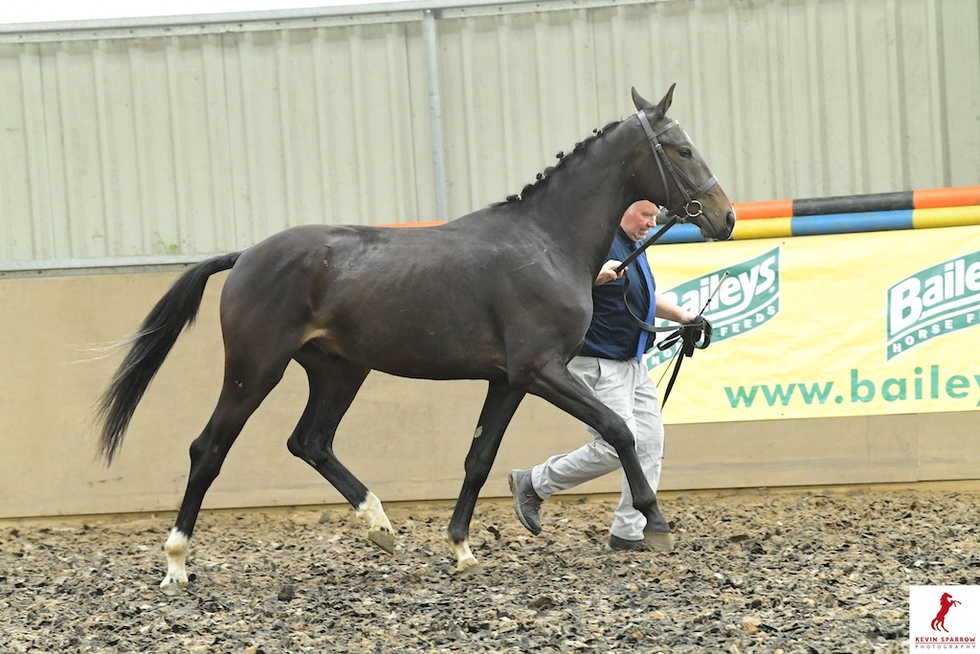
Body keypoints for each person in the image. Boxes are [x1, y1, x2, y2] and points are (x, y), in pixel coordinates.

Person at [509, 200, 707, 552]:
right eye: (645, 215)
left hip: (632, 361)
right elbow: (557, 286)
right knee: (617, 446)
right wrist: (594, 277)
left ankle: (628, 532)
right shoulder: (595, 241)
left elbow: (646, 296)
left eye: (654, 216)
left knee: (649, 443)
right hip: (598, 361)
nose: (651, 223)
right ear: (624, 210)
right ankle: (535, 482)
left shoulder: (632, 244)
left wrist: (685, 318)